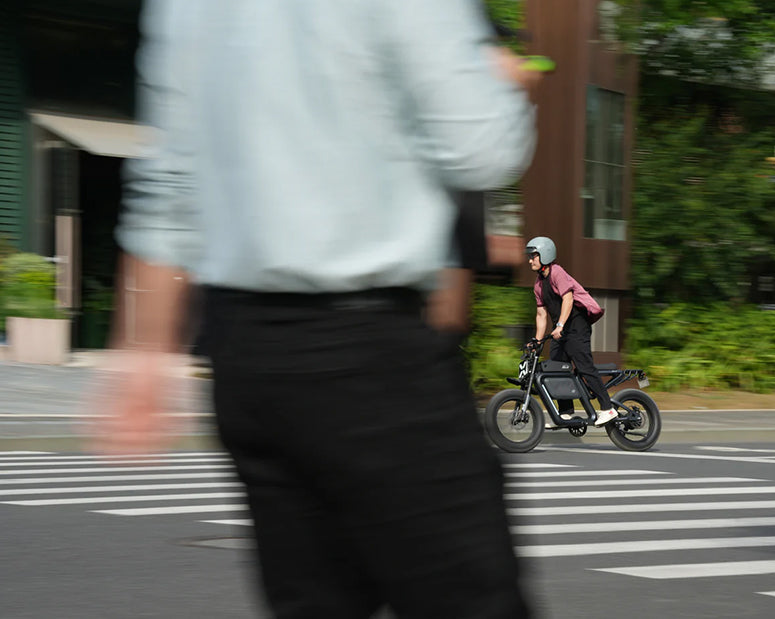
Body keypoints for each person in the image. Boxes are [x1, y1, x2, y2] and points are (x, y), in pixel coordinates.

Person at [97, 2, 541, 617]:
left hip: (246, 356)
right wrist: (504, 83)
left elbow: (168, 181)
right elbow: (481, 148)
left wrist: (145, 348)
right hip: (372, 357)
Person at [525, 236, 619, 426]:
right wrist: (536, 341)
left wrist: (560, 325)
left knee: (584, 366)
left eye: (533, 256)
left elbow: (568, 300)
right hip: (560, 328)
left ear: (545, 254)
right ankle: (566, 413)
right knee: (557, 369)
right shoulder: (538, 284)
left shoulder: (557, 273)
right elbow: (541, 315)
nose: (530, 260)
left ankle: (607, 408)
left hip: (576, 325)